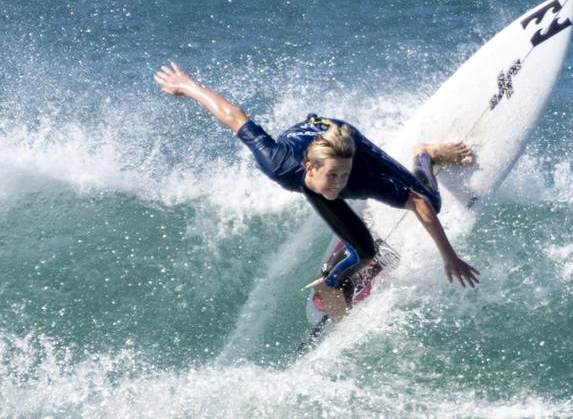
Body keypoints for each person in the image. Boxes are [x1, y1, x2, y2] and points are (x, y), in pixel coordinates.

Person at [154, 62, 479, 322]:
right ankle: (335, 278)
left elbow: (418, 202)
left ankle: (425, 154)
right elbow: (234, 116)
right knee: (364, 252)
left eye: (344, 177)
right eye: (334, 177)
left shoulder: (355, 176)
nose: (340, 183)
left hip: (345, 140)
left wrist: (448, 256)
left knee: (432, 202)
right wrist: (187, 86)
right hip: (306, 151)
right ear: (310, 169)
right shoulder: (278, 164)